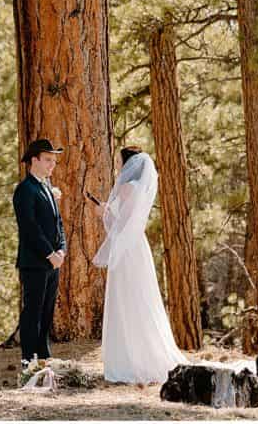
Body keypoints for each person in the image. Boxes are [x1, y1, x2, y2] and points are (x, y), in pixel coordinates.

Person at [92, 148, 187, 383]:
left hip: (126, 247)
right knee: (140, 297)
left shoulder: (126, 187)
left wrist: (102, 212)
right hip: (137, 245)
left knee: (125, 298)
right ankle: (142, 354)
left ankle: (127, 359)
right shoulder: (140, 188)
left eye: (119, 162)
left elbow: (118, 222)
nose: (118, 166)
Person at [12, 138, 66, 367]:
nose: (52, 164)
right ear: (34, 160)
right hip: (34, 262)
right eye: (47, 160)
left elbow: (58, 223)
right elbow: (29, 227)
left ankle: (44, 357)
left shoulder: (46, 187)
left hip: (53, 262)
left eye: (54, 161)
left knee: (47, 311)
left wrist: (62, 249)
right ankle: (29, 361)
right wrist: (49, 253)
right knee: (32, 312)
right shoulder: (25, 189)